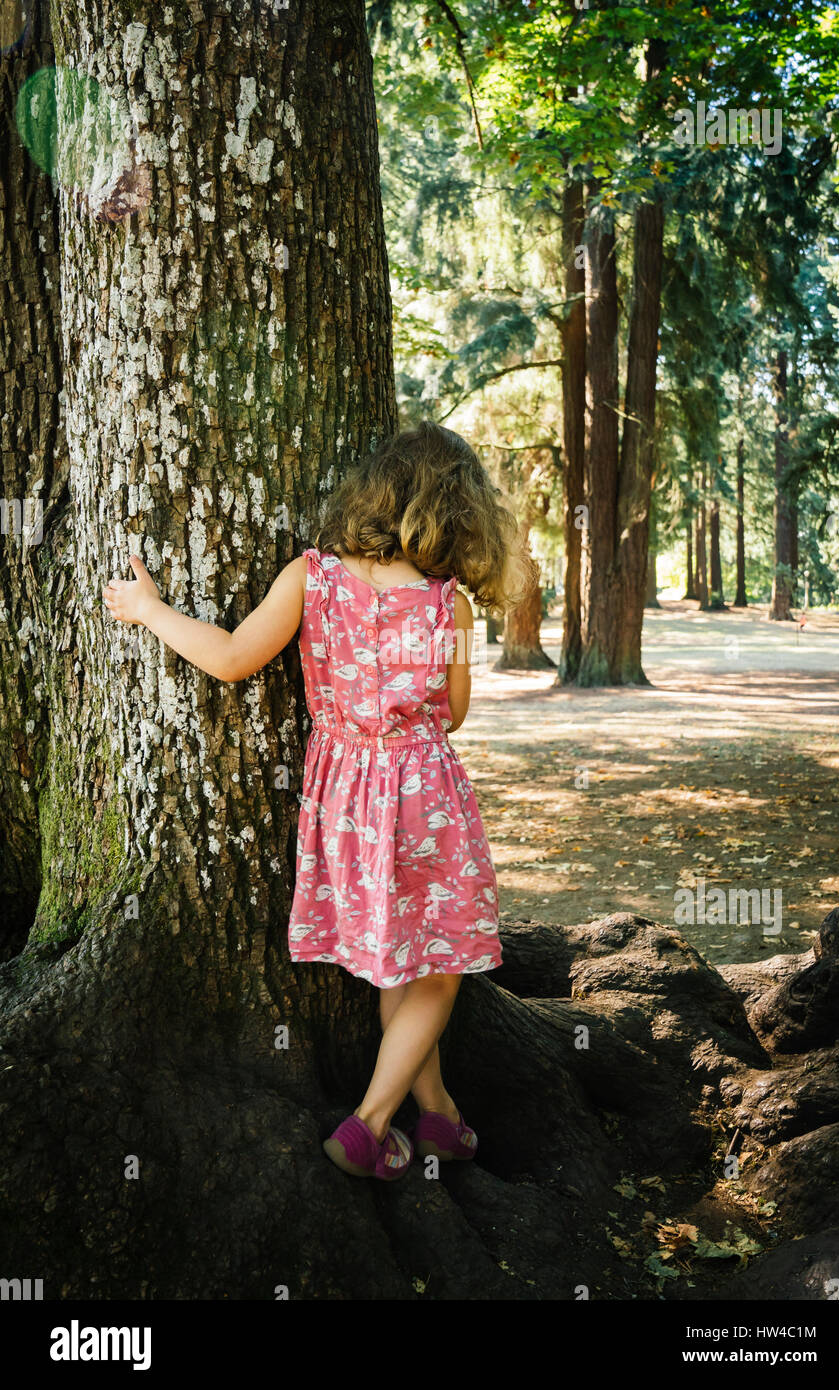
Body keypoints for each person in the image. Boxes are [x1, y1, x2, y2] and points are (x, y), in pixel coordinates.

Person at [102, 419, 536, 1183]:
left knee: (399, 964)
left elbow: (234, 658)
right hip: (422, 792)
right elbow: (454, 711)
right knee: (439, 971)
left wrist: (149, 611)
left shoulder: (312, 576)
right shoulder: (449, 608)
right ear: (453, 511)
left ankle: (437, 1118)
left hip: (343, 795)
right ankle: (368, 1127)